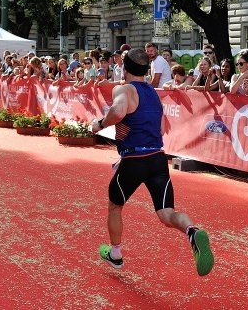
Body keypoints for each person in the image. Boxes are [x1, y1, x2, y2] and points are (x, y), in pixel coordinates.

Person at [90, 48, 214, 276]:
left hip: (135, 159)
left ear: (124, 68)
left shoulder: (124, 89)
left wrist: (99, 124)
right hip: (157, 158)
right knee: (167, 213)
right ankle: (191, 231)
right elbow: (158, 126)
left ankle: (115, 254)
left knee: (115, 206)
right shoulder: (153, 93)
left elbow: (117, 111)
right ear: (147, 70)